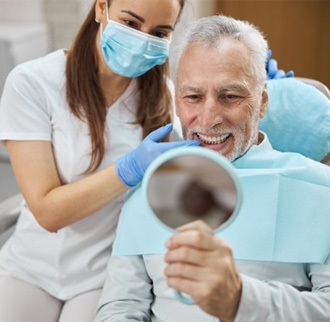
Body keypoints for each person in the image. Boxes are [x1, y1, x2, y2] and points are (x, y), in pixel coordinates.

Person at [95, 15, 330, 322]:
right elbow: (120, 307)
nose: (208, 119)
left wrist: (240, 299)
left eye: (229, 96)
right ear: (177, 101)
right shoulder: (148, 189)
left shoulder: (320, 191)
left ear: (262, 102)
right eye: (193, 97)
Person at [0, 0, 204, 321]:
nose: (142, 40)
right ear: (100, 8)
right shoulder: (33, 83)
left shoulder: (164, 99)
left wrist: (261, 95)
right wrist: (128, 169)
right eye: (131, 24)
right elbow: (48, 212)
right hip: (30, 267)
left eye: (159, 32)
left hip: (103, 273)